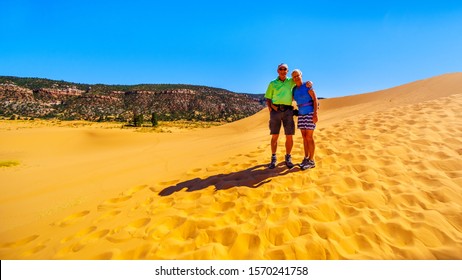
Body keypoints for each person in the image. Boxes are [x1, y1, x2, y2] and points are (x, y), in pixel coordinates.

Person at [265, 63, 312, 169]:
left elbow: (299, 80)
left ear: (287, 71)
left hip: (288, 111)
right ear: (277, 71)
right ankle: (273, 158)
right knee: (275, 136)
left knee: (289, 135)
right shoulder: (272, 83)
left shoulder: (290, 81)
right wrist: (271, 109)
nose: (282, 70)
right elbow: (268, 97)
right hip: (275, 111)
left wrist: (309, 83)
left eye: (284, 69)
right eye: (280, 69)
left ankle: (288, 157)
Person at [291, 69, 318, 169]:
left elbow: (315, 99)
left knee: (309, 137)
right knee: (304, 136)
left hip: (310, 113)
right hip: (301, 114)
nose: (296, 78)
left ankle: (311, 160)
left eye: (298, 75)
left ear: (301, 75)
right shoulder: (294, 89)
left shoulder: (307, 85)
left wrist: (315, 114)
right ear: (293, 79)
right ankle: (306, 157)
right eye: (294, 77)